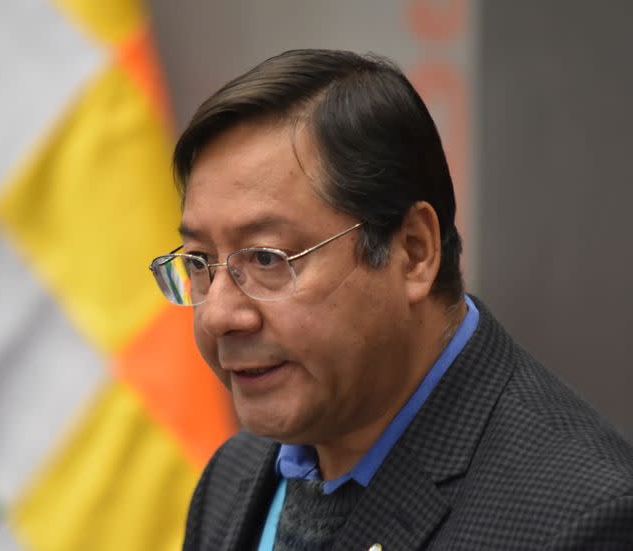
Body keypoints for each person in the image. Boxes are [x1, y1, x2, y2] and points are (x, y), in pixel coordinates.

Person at [148, 49, 633, 550]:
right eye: (200, 262)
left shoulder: (582, 521)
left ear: (413, 252)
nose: (221, 314)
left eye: (268, 259)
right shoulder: (233, 476)